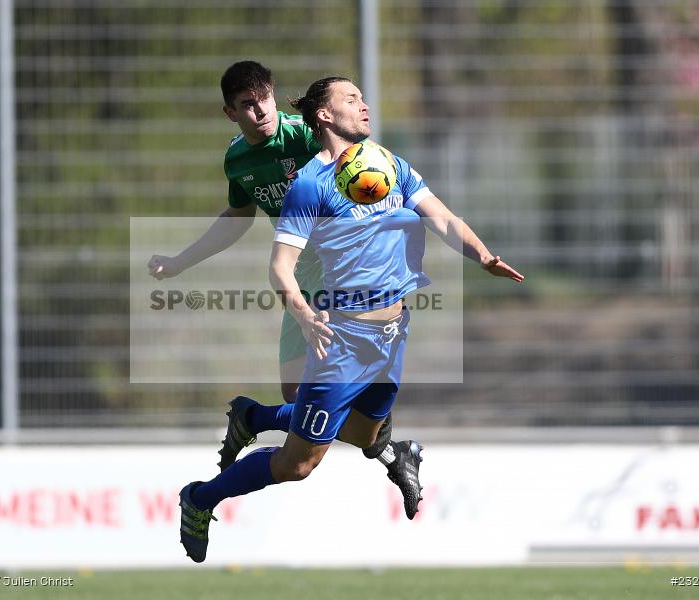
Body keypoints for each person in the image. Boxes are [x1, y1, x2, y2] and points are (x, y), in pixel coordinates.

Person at [177, 77, 524, 563]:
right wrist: (303, 313)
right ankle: (200, 498)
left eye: (362, 97)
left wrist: (483, 255)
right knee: (298, 465)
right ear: (323, 115)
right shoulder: (310, 185)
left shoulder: (386, 163)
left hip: (393, 332)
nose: (364, 106)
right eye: (351, 99)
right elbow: (279, 266)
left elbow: (441, 217)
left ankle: (254, 417)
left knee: (364, 435)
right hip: (343, 339)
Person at [147, 61, 421, 512]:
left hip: (343, 278)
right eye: (247, 105)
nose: (260, 112)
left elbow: (366, 166)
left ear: (275, 95)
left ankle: (257, 421)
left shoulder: (306, 136)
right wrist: (180, 262)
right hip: (300, 280)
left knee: (319, 417)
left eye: (265, 99)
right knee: (301, 398)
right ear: (229, 112)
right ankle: (387, 450)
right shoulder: (237, 159)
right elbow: (237, 219)